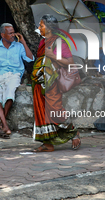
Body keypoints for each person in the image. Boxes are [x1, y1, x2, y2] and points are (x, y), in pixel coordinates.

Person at [32, 14, 81, 152]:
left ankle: (73, 132)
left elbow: (70, 62)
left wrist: (53, 56)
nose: (39, 27)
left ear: (49, 28)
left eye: (41, 25)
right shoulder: (43, 42)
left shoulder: (59, 42)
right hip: (40, 83)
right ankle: (47, 144)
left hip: (52, 83)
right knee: (41, 113)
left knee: (55, 111)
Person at [0, 23, 34, 136]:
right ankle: (4, 125)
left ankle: (3, 125)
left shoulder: (19, 46)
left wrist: (23, 42)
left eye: (13, 32)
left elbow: (30, 58)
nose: (13, 35)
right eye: (10, 33)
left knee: (10, 93)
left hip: (14, 75)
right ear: (3, 34)